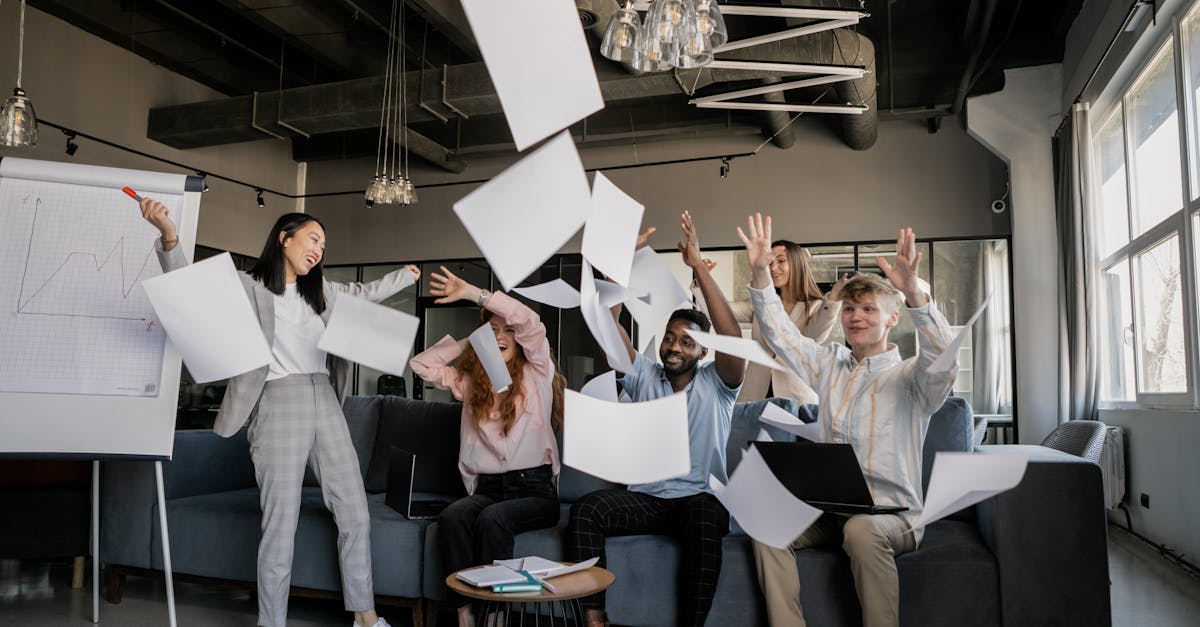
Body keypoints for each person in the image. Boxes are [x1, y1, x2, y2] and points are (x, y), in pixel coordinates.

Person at [139, 199, 415, 627]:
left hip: (324, 399)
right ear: (284, 239)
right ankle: (272, 622)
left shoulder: (321, 292)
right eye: (312, 239)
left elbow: (365, 293)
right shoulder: (248, 287)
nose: (319, 250)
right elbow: (192, 290)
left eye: (324, 245)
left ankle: (365, 616)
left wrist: (406, 276)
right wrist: (170, 236)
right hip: (276, 402)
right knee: (280, 522)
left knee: (355, 512)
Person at [737, 214, 956, 627]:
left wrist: (914, 293)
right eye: (851, 308)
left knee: (861, 530)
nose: (857, 316)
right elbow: (781, 335)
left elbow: (943, 361)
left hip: (897, 517)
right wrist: (761, 273)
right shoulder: (829, 364)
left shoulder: (912, 377)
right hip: (832, 511)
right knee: (765, 522)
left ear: (893, 319)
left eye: (869, 309)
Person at [565, 211, 746, 627]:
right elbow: (604, 325)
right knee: (586, 510)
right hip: (647, 499)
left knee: (706, 513)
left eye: (687, 342)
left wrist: (698, 267)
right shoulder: (645, 374)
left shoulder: (719, 383)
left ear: (703, 352)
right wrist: (617, 266)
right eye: (669, 337)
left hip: (697, 499)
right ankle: (594, 620)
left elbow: (733, 338)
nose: (674, 346)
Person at [409, 267, 563, 627]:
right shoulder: (469, 382)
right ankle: (464, 612)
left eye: (508, 330)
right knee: (453, 516)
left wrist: (477, 295)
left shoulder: (539, 371)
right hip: (490, 489)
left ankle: (495, 617)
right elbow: (421, 365)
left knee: (493, 520)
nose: (502, 336)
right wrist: (472, 342)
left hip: (534, 489)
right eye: (493, 330)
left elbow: (530, 321)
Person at [693, 239, 843, 404]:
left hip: (797, 399)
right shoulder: (759, 305)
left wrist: (834, 298)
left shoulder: (816, 306)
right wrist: (702, 281)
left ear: (796, 264)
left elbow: (813, 337)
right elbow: (717, 311)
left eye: (781, 261)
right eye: (770, 263)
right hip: (755, 394)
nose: (773, 268)